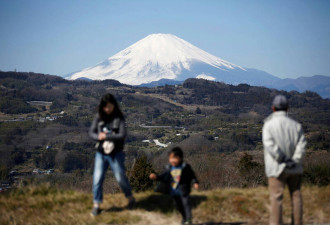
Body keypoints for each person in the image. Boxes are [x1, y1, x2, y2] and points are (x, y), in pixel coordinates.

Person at [262, 95, 307, 225]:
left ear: (273, 108)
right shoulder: (296, 126)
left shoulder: (268, 125)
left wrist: (282, 158)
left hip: (276, 168)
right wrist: (295, 160)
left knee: (276, 199)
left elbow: (269, 145)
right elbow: (302, 145)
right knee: (296, 197)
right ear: (287, 108)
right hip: (295, 167)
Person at [89, 93, 135, 216]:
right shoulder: (99, 118)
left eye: (109, 106)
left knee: (120, 177)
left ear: (114, 105)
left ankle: (130, 198)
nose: (107, 109)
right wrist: (98, 136)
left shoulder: (118, 118)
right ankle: (96, 205)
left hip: (116, 153)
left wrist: (106, 136)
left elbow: (122, 134)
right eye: (105, 107)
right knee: (97, 178)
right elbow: (91, 133)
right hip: (101, 153)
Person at [149, 147, 199, 225]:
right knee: (178, 206)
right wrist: (156, 177)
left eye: (175, 158)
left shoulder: (185, 167)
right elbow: (163, 177)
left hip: (184, 190)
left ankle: (188, 220)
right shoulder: (169, 168)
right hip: (174, 191)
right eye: (171, 158)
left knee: (186, 204)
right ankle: (184, 218)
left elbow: (192, 176)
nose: (173, 160)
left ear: (180, 158)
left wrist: (195, 182)